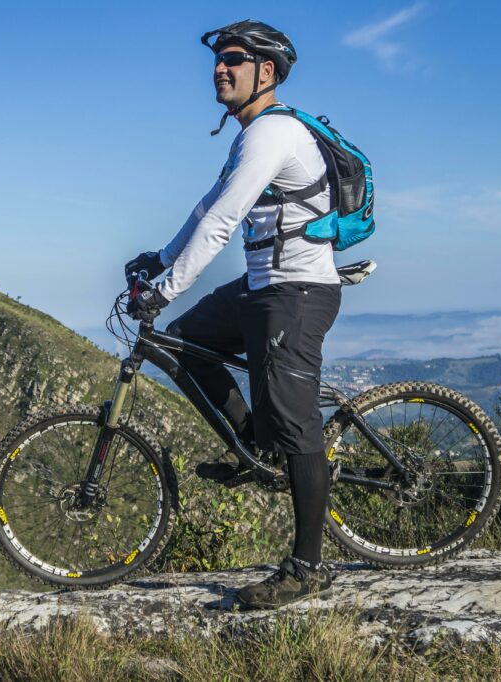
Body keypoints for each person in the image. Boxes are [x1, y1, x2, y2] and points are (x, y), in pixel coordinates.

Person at [124, 19, 342, 609]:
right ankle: (256, 446)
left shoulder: (273, 134)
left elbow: (223, 224)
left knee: (298, 424)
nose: (220, 68)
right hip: (262, 286)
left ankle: (306, 567)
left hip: (297, 293)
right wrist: (161, 256)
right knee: (179, 346)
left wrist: (163, 288)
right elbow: (206, 208)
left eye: (234, 59)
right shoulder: (249, 136)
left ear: (264, 72)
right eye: (218, 59)